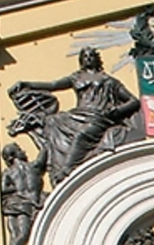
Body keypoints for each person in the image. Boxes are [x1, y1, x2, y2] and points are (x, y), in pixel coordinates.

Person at [9, 47, 140, 184]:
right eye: (85, 56)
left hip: (98, 116)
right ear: (81, 60)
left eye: (91, 56)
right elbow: (53, 85)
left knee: (82, 135)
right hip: (79, 114)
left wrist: (117, 111)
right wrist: (28, 84)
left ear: (97, 59)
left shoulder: (109, 81)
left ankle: (67, 169)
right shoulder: (76, 77)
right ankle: (55, 164)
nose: (88, 58)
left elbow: (133, 101)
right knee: (52, 121)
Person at [0, 142, 47, 245]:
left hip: (18, 203)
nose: (24, 152)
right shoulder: (33, 167)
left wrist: (16, 189)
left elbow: (4, 189)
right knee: (22, 233)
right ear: (13, 155)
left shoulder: (9, 172)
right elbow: (44, 151)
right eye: (20, 150)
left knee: (16, 234)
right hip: (24, 204)